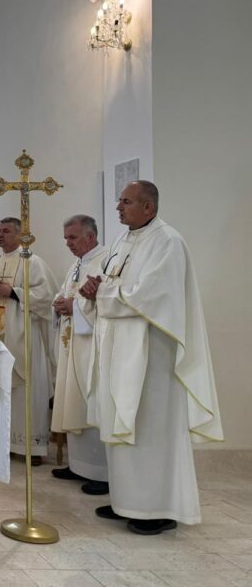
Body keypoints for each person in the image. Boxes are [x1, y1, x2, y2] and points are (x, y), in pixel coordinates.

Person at [79, 181, 222, 535]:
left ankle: (158, 507)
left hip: (151, 357)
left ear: (149, 207)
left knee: (150, 429)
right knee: (122, 425)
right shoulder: (122, 242)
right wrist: (92, 292)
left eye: (126, 202)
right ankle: (126, 499)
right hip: (120, 350)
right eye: (119, 201)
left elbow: (151, 296)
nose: (118, 207)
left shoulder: (168, 241)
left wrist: (104, 292)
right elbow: (111, 287)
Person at [0, 217, 57, 464]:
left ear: (20, 234)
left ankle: (30, 448)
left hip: (24, 335)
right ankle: (2, 442)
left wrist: (13, 292)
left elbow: (47, 297)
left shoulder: (32, 262)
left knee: (27, 389)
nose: (0, 235)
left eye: (6, 231)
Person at [49, 215, 109, 494]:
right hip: (70, 341)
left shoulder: (105, 260)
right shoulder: (76, 264)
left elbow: (104, 301)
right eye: (66, 238)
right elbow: (65, 293)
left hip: (91, 345)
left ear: (90, 235)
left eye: (72, 238)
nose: (68, 244)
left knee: (89, 399)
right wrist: (59, 303)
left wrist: (75, 306)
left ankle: (100, 472)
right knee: (71, 399)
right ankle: (79, 465)